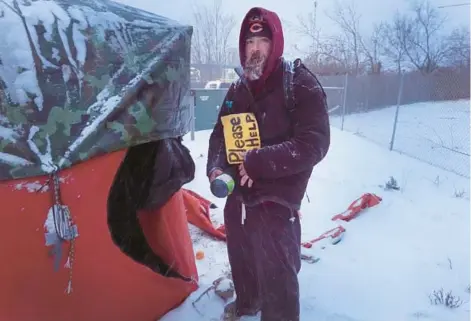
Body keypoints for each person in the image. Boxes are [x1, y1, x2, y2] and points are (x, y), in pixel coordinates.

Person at [206, 7, 330, 321]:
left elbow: (314, 142)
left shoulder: (299, 83)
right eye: (249, 42)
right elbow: (220, 134)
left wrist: (258, 162)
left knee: (278, 275)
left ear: (276, 44)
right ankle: (248, 302)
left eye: (263, 40)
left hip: (277, 197)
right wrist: (217, 168)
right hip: (239, 195)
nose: (255, 49)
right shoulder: (237, 89)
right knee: (241, 257)